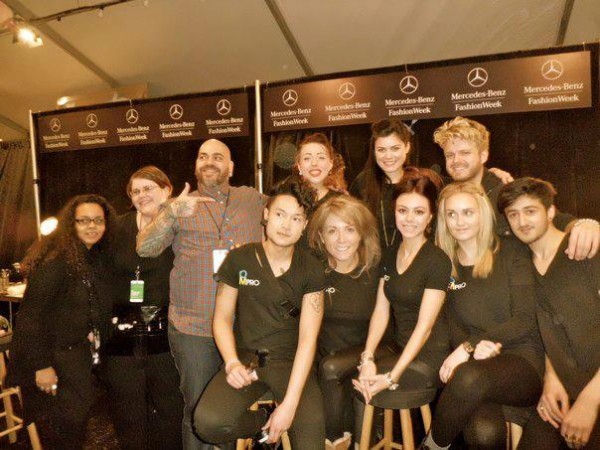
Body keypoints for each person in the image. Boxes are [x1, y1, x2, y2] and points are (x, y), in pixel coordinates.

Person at [136, 139, 265, 450]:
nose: (209, 161)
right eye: (203, 156)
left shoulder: (252, 199)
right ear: (195, 166)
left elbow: (291, 216)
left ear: (230, 167)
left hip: (244, 329)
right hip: (193, 328)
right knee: (198, 410)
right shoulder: (180, 205)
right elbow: (145, 248)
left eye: (218, 157)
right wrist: (170, 213)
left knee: (232, 408)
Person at [194, 179, 326, 448]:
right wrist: (231, 362)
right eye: (280, 214)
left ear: (304, 225)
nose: (286, 225)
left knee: (311, 444)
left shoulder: (311, 269)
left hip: (290, 363)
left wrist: (289, 406)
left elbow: (308, 339)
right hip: (247, 359)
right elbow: (221, 319)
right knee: (208, 423)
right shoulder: (239, 259)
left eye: (296, 218)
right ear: (266, 214)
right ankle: (262, 423)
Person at [421, 182, 544, 450]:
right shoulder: (445, 266)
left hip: (521, 362)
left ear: (482, 214)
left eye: (468, 212)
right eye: (451, 214)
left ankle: (431, 445)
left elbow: (524, 319)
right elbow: (451, 323)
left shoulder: (512, 252)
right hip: (477, 368)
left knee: (468, 376)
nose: (459, 221)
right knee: (484, 434)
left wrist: (470, 346)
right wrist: (473, 350)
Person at [497, 177, 599, 450]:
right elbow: (546, 328)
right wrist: (551, 378)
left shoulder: (587, 249)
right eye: (513, 214)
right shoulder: (522, 267)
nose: (522, 221)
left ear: (551, 211)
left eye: (530, 211)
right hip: (563, 392)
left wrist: (591, 399)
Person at [10, 194, 117, 449]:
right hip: (53, 360)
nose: (92, 226)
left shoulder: (88, 256)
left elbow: (79, 304)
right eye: (84, 220)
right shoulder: (56, 261)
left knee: (74, 425)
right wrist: (41, 366)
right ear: (71, 224)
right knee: (63, 430)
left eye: (98, 220)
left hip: (74, 357)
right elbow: (29, 317)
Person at [433, 116, 599, 260]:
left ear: (483, 156)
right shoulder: (444, 197)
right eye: (450, 155)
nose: (456, 161)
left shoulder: (508, 191)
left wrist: (585, 225)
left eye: (465, 153)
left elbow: (557, 220)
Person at [353, 169, 451, 413]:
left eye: (419, 212)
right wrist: (368, 357)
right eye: (402, 210)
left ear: (430, 217)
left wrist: (391, 377)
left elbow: (425, 327)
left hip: (429, 357)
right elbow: (381, 312)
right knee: (357, 374)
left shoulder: (437, 260)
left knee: (365, 385)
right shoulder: (389, 254)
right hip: (399, 347)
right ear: (394, 211)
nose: (409, 219)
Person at [104, 166, 183, 449]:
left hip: (165, 333)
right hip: (123, 335)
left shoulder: (182, 226)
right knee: (128, 412)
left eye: (148, 188)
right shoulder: (116, 227)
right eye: (135, 191)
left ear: (167, 190)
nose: (141, 195)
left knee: (169, 409)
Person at [308, 195, 381, 448]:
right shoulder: (314, 271)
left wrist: (368, 359)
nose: (341, 239)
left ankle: (336, 440)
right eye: (332, 231)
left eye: (349, 229)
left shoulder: (376, 269)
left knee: (332, 370)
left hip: (371, 355)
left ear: (361, 233)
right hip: (325, 363)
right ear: (321, 236)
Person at [350, 119, 413, 251]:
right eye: (381, 150)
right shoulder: (362, 184)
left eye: (395, 148)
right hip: (371, 259)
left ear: (407, 147)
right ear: (374, 151)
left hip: (411, 259)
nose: (388, 156)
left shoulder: (418, 183)